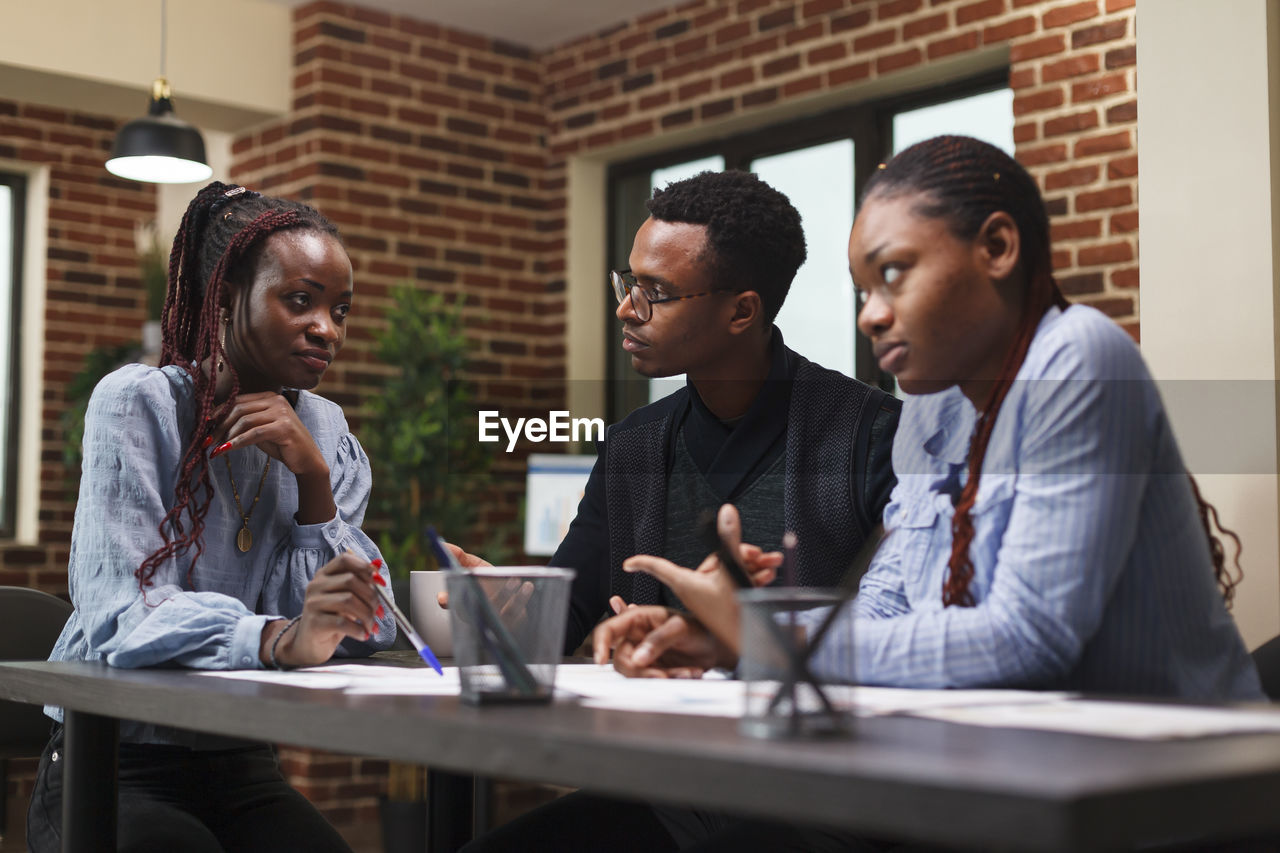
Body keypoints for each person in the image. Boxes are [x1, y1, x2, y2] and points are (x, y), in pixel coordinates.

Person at [468, 136, 1264, 852]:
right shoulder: (933, 411)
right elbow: (887, 602)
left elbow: (1029, 637)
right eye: (860, 289)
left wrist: (760, 639)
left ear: (996, 247)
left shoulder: (1077, 356)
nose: (870, 315)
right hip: (992, 781)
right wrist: (721, 634)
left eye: (891, 276)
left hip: (1162, 801)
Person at [27, 182, 396, 853]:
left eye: (339, 309)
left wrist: (313, 481)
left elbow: (358, 626)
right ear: (226, 300)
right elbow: (122, 613)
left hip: (241, 761)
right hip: (115, 756)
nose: (327, 328)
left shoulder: (325, 433)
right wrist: (277, 638)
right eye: (300, 300)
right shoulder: (140, 404)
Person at [448, 169, 900, 655]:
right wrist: (509, 603)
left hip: (810, 724)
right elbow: (559, 620)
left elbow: (898, 618)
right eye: (628, 283)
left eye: (656, 293)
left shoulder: (874, 435)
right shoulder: (631, 447)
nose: (626, 309)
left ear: (741, 312)